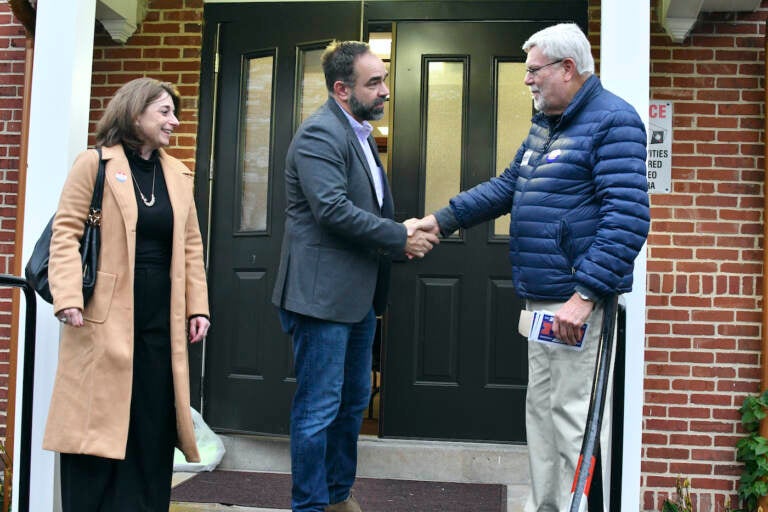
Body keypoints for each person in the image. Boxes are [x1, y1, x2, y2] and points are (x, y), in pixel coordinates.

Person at [414, 23, 650, 512]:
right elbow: (507, 187)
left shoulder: (613, 121)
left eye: (534, 70)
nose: (527, 81)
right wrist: (440, 221)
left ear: (568, 68)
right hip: (543, 304)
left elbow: (627, 217)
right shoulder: (547, 125)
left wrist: (584, 296)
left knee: (574, 425)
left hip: (574, 307)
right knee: (542, 421)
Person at [271, 40, 438, 512]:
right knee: (318, 410)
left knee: (351, 406)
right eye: (375, 82)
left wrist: (400, 230)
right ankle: (308, 506)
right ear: (342, 90)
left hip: (359, 299)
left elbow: (364, 209)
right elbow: (332, 210)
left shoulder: (360, 134)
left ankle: (337, 496)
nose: (385, 90)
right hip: (320, 300)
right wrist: (399, 237)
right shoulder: (319, 134)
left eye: (384, 79)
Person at [43, 77, 211, 511]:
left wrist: (198, 307)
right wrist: (67, 298)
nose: (174, 121)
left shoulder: (177, 174)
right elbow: (65, 234)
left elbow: (191, 245)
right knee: (97, 424)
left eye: (174, 112)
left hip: (161, 322)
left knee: (150, 426)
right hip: (100, 317)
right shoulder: (94, 164)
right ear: (135, 113)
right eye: (164, 112)